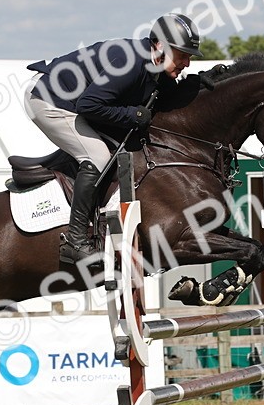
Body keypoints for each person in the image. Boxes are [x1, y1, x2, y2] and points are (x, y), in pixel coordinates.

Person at [26, 13, 205, 264]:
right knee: (97, 155)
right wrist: (132, 114)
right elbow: (89, 106)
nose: (187, 63)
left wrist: (200, 85)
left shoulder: (154, 64)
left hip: (74, 100)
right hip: (49, 99)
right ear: (160, 46)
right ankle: (75, 240)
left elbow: (164, 97)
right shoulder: (131, 64)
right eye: (182, 55)